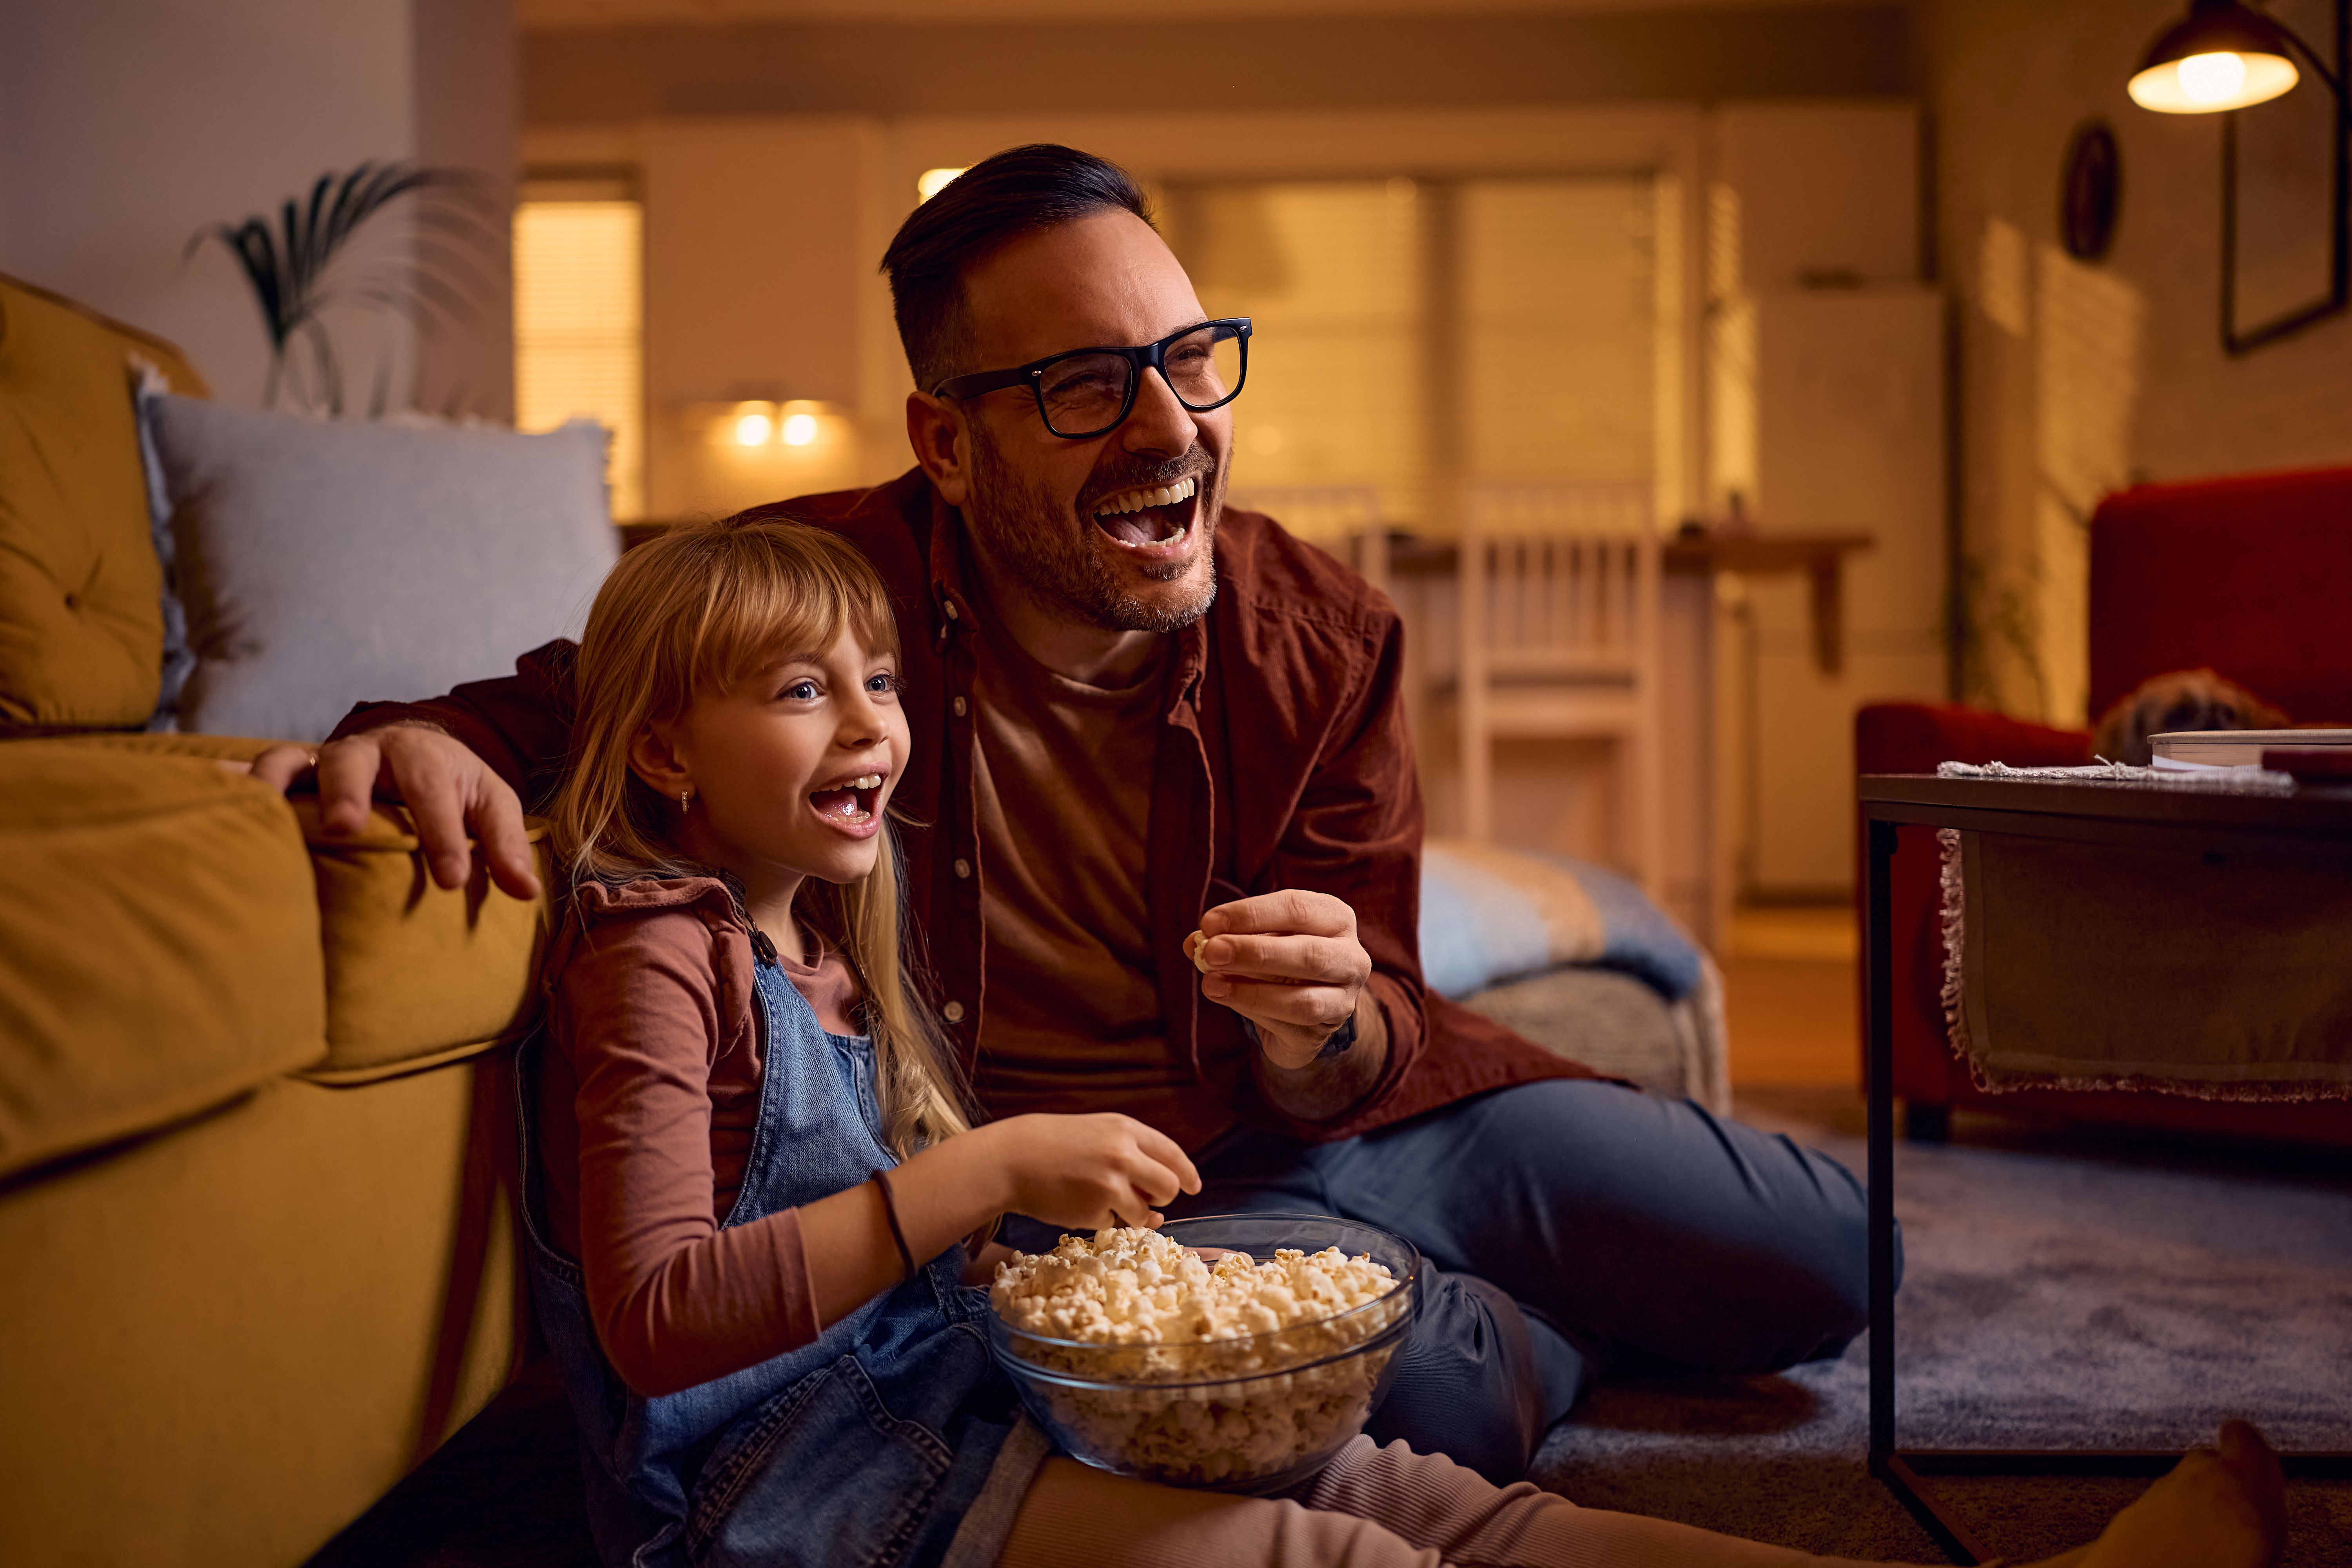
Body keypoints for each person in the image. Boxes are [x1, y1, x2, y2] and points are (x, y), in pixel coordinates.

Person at [261, 143, 1875, 1480]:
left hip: (1355, 1127)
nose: (1174, 428)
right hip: (1086, 1195)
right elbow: (541, 708)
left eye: (1188, 359)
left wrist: (1332, 1027)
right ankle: (1514, 1336)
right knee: (1439, 1394)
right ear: (948, 443)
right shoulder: (818, 595)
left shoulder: (1327, 635)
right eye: (1088, 387)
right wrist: (412, 735)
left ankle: (1452, 1296)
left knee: (1835, 1253)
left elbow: (1378, 1004)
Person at [530, 515, 2285, 1568]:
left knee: (1423, 1493)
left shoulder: (832, 939)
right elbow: (661, 1321)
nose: (872, 725)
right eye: (799, 691)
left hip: (968, 1394)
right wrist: (987, 1171)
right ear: (670, 755)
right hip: (810, 1498)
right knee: (1331, 1551)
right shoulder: (655, 961)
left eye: (881, 681)